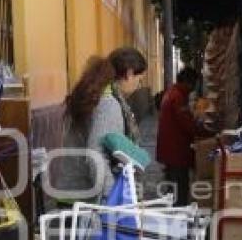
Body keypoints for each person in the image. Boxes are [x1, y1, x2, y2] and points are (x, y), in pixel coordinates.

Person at [54, 47, 147, 202]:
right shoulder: (108, 103)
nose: (138, 86)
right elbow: (96, 154)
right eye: (139, 79)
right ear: (130, 73)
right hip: (87, 201)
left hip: (72, 192)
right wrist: (112, 199)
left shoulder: (95, 93)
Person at [157, 67, 200, 205]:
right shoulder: (178, 97)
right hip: (176, 150)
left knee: (172, 184)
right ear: (188, 82)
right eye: (193, 85)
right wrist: (204, 131)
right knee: (179, 186)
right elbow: (187, 124)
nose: (193, 89)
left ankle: (173, 211)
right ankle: (179, 214)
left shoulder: (172, 92)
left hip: (169, 149)